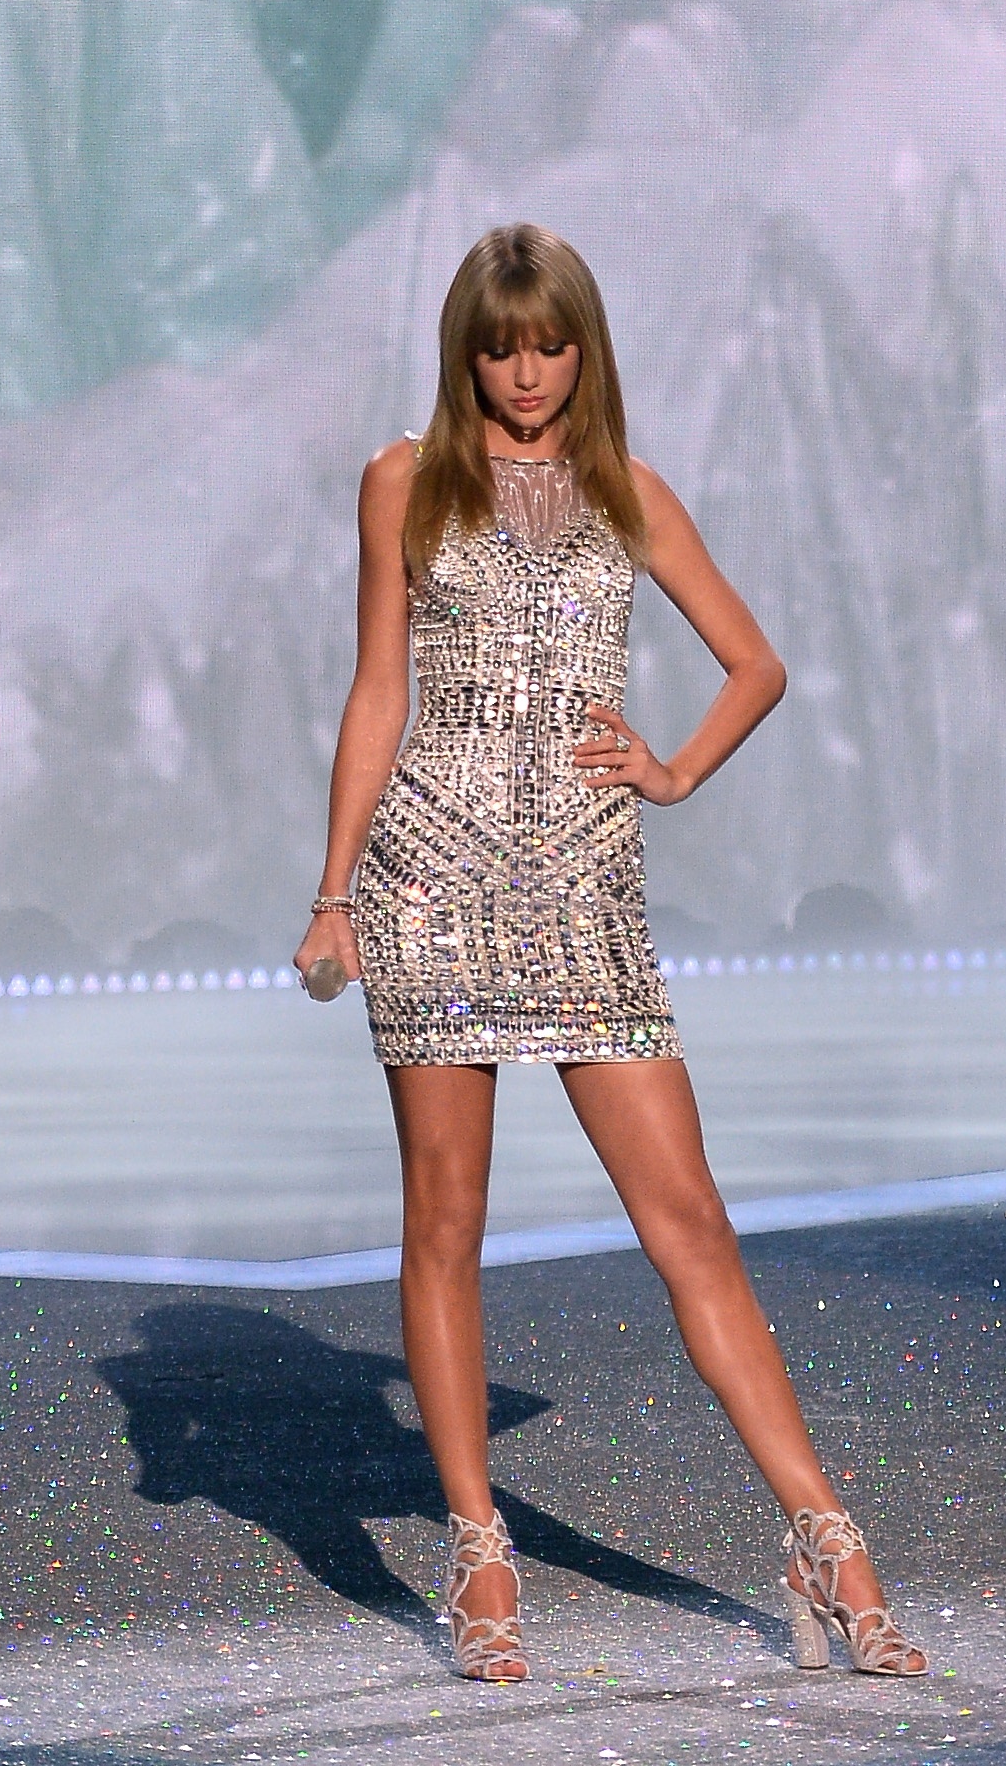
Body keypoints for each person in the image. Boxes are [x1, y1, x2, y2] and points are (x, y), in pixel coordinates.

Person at [291, 220, 927, 1686]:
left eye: (549, 344)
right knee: (446, 1220)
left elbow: (757, 662)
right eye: (499, 349)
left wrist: (675, 768)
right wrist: (333, 892)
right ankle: (479, 1553)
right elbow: (379, 688)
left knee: (688, 1219)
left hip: (585, 884)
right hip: (430, 878)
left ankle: (826, 1538)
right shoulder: (403, 480)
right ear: (465, 354)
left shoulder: (630, 491)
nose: (526, 374)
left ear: (585, 348)